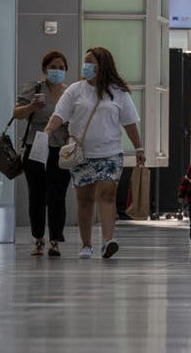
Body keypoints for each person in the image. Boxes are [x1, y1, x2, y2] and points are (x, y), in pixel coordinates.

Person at [44, 47, 144, 260]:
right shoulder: (75, 90)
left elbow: (129, 123)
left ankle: (108, 242)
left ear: (102, 65)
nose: (86, 66)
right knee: (85, 199)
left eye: (91, 62)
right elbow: (59, 114)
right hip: (81, 154)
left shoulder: (118, 92)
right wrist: (47, 131)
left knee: (107, 194)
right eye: (85, 62)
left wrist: (139, 148)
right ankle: (87, 244)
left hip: (110, 153)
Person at [15, 51, 72, 257]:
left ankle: (55, 240)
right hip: (36, 144)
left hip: (61, 148)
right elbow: (16, 113)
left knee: (57, 194)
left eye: (61, 67)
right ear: (45, 69)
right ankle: (38, 238)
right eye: (53, 67)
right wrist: (32, 106)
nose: (57, 71)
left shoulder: (70, 93)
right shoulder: (35, 88)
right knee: (36, 194)